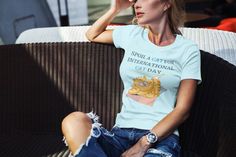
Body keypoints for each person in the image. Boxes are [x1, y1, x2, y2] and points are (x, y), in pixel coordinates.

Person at [61, 0, 201, 157]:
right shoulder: (132, 34)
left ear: (166, 4)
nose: (137, 4)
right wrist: (115, 9)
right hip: (120, 135)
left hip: (161, 139)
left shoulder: (187, 49)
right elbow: (92, 34)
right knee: (73, 121)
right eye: (135, 0)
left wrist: (144, 142)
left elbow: (183, 110)